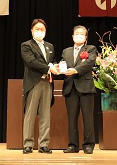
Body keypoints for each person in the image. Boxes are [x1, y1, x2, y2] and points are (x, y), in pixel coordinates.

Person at [21, 19, 60, 154]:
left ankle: (44, 144)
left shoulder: (49, 46)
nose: (39, 32)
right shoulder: (26, 45)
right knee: (30, 114)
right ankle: (28, 144)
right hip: (33, 82)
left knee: (45, 114)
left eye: (42, 29)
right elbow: (31, 62)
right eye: (37, 29)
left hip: (47, 83)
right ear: (32, 31)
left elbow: (52, 61)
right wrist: (49, 69)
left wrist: (56, 66)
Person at [60, 25, 97, 154]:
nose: (79, 35)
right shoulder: (66, 51)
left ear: (85, 37)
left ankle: (88, 145)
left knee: (87, 118)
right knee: (71, 118)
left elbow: (89, 63)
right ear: (72, 36)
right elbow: (63, 64)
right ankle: (73, 145)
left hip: (85, 87)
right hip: (70, 87)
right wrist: (58, 68)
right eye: (77, 33)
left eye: (82, 34)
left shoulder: (91, 49)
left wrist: (75, 70)